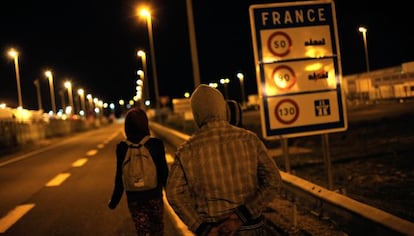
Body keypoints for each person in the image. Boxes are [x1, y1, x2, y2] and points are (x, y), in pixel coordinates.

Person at [166, 84, 282, 236]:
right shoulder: (249, 139)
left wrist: (201, 228)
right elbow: (273, 180)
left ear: (196, 114)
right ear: (223, 109)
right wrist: (241, 216)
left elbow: (173, 193)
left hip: (213, 230)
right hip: (250, 227)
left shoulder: (186, 150)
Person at [108, 107, 169, 236]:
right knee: (157, 229)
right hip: (154, 195)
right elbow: (164, 172)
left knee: (143, 230)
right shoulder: (156, 144)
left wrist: (114, 201)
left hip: (134, 198)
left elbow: (120, 177)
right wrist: (172, 196)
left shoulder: (122, 147)